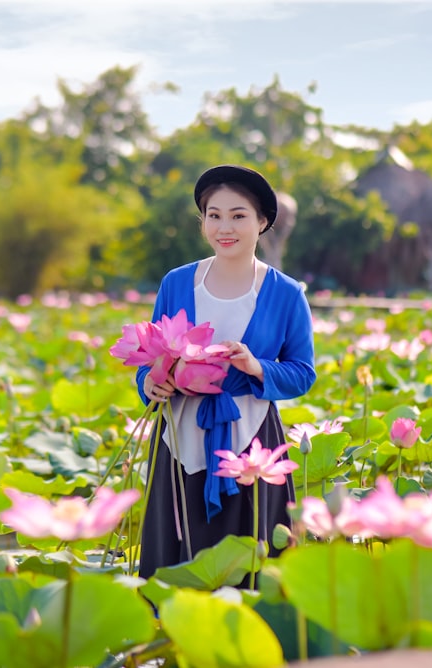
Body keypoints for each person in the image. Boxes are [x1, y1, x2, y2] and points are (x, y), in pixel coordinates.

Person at [136, 164, 316, 582]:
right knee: (176, 559)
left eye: (238, 215)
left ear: (262, 222)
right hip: (179, 432)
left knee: (249, 560)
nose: (224, 227)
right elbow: (152, 356)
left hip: (252, 438)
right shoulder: (177, 283)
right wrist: (150, 382)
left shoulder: (286, 293)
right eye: (213, 215)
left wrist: (256, 367)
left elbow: (302, 374)